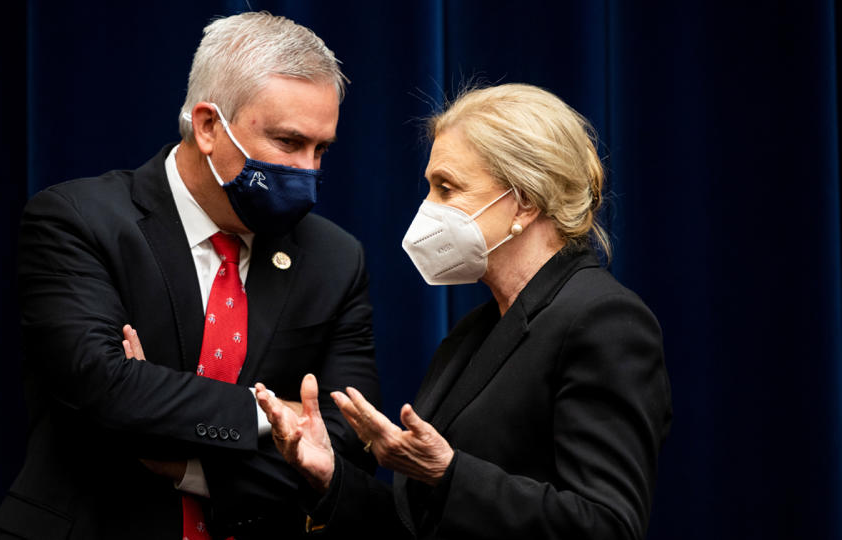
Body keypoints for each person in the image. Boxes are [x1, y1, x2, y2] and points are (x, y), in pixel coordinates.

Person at [0, 12, 380, 540]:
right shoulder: (78, 220)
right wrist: (277, 412)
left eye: (322, 150)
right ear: (208, 126)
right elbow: (107, 393)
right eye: (288, 144)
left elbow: (349, 446)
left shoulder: (334, 257)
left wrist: (190, 467)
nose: (309, 172)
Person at [257, 83, 673, 539]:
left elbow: (608, 526)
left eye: (446, 188)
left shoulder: (603, 320)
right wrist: (330, 475)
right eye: (430, 188)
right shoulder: (478, 328)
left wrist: (449, 473)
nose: (427, 209)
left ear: (525, 201)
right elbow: (423, 523)